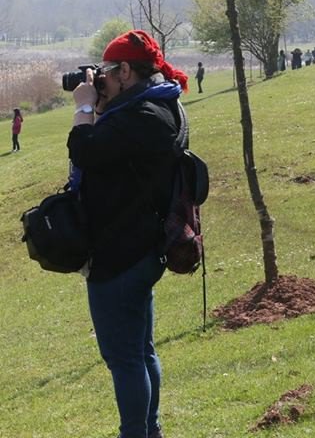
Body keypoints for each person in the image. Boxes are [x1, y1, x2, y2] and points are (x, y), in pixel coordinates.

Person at [67, 29, 190, 438]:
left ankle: (135, 433)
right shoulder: (158, 105)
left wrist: (84, 108)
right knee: (140, 351)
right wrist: (102, 106)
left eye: (104, 73)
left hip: (121, 254)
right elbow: (113, 158)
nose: (98, 80)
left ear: (124, 70)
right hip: (143, 246)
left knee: (124, 358)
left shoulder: (142, 117)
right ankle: (149, 430)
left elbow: (85, 149)